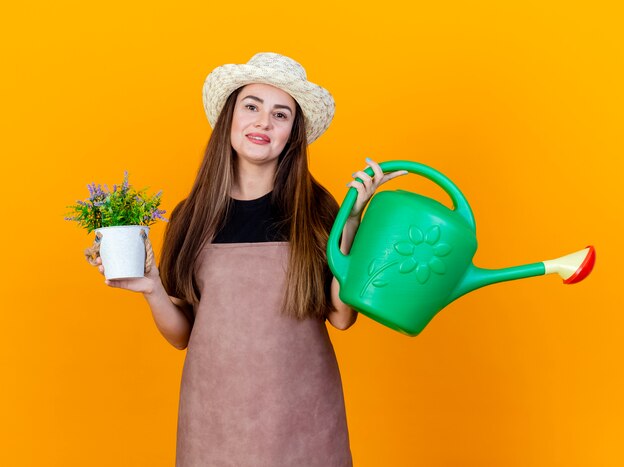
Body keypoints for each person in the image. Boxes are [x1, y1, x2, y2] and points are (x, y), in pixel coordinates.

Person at [89, 52, 406, 466]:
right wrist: (152, 286)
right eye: (252, 106)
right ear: (230, 118)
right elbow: (182, 334)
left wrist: (353, 221)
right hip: (214, 423)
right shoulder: (192, 215)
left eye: (280, 115)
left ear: (292, 133)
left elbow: (342, 317)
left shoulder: (317, 208)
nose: (263, 123)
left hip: (304, 422)